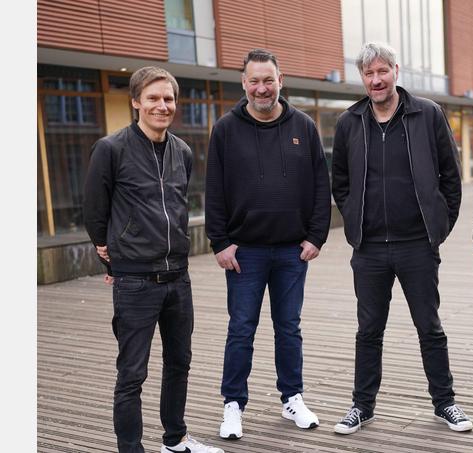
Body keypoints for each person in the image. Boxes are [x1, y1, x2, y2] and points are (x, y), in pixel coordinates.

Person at [330, 41, 471, 435]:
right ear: (362, 78)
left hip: (417, 246)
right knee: (368, 330)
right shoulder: (349, 122)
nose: (376, 80)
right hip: (370, 248)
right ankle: (362, 406)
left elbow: (451, 176)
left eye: (382, 71)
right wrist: (355, 219)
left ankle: (445, 403)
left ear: (396, 70)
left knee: (429, 327)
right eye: (369, 74)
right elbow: (339, 181)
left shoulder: (427, 114)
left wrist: (438, 227)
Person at [83, 66, 223, 453]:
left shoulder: (182, 151)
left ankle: (175, 441)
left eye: (168, 99)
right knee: (132, 373)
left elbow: (177, 207)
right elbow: (95, 211)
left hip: (178, 278)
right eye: (153, 98)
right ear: (135, 103)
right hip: (135, 282)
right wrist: (109, 255)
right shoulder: (111, 149)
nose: (162, 106)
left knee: (180, 363)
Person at [205, 49, 332, 439]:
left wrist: (316, 236)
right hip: (245, 252)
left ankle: (292, 397)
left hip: (293, 251)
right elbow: (213, 190)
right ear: (244, 84)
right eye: (254, 81)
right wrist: (220, 242)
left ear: (281, 80)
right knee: (241, 328)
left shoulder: (304, 126)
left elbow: (320, 186)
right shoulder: (226, 129)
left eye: (269, 80)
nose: (262, 88)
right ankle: (233, 405)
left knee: (288, 327)